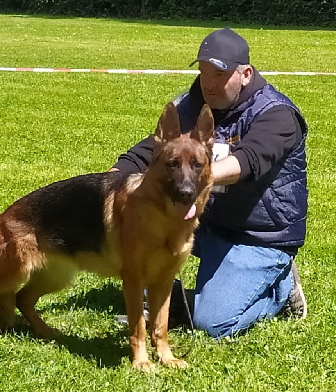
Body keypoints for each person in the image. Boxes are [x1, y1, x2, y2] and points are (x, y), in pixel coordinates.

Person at [111, 27, 308, 339]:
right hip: (205, 224)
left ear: (245, 74)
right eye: (204, 73)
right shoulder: (190, 106)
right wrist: (111, 181)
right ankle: (170, 290)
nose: (209, 83)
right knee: (137, 235)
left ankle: (281, 288)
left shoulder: (277, 115)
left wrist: (192, 182)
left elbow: (247, 160)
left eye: (220, 74)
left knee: (213, 323)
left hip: (257, 236)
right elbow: (149, 152)